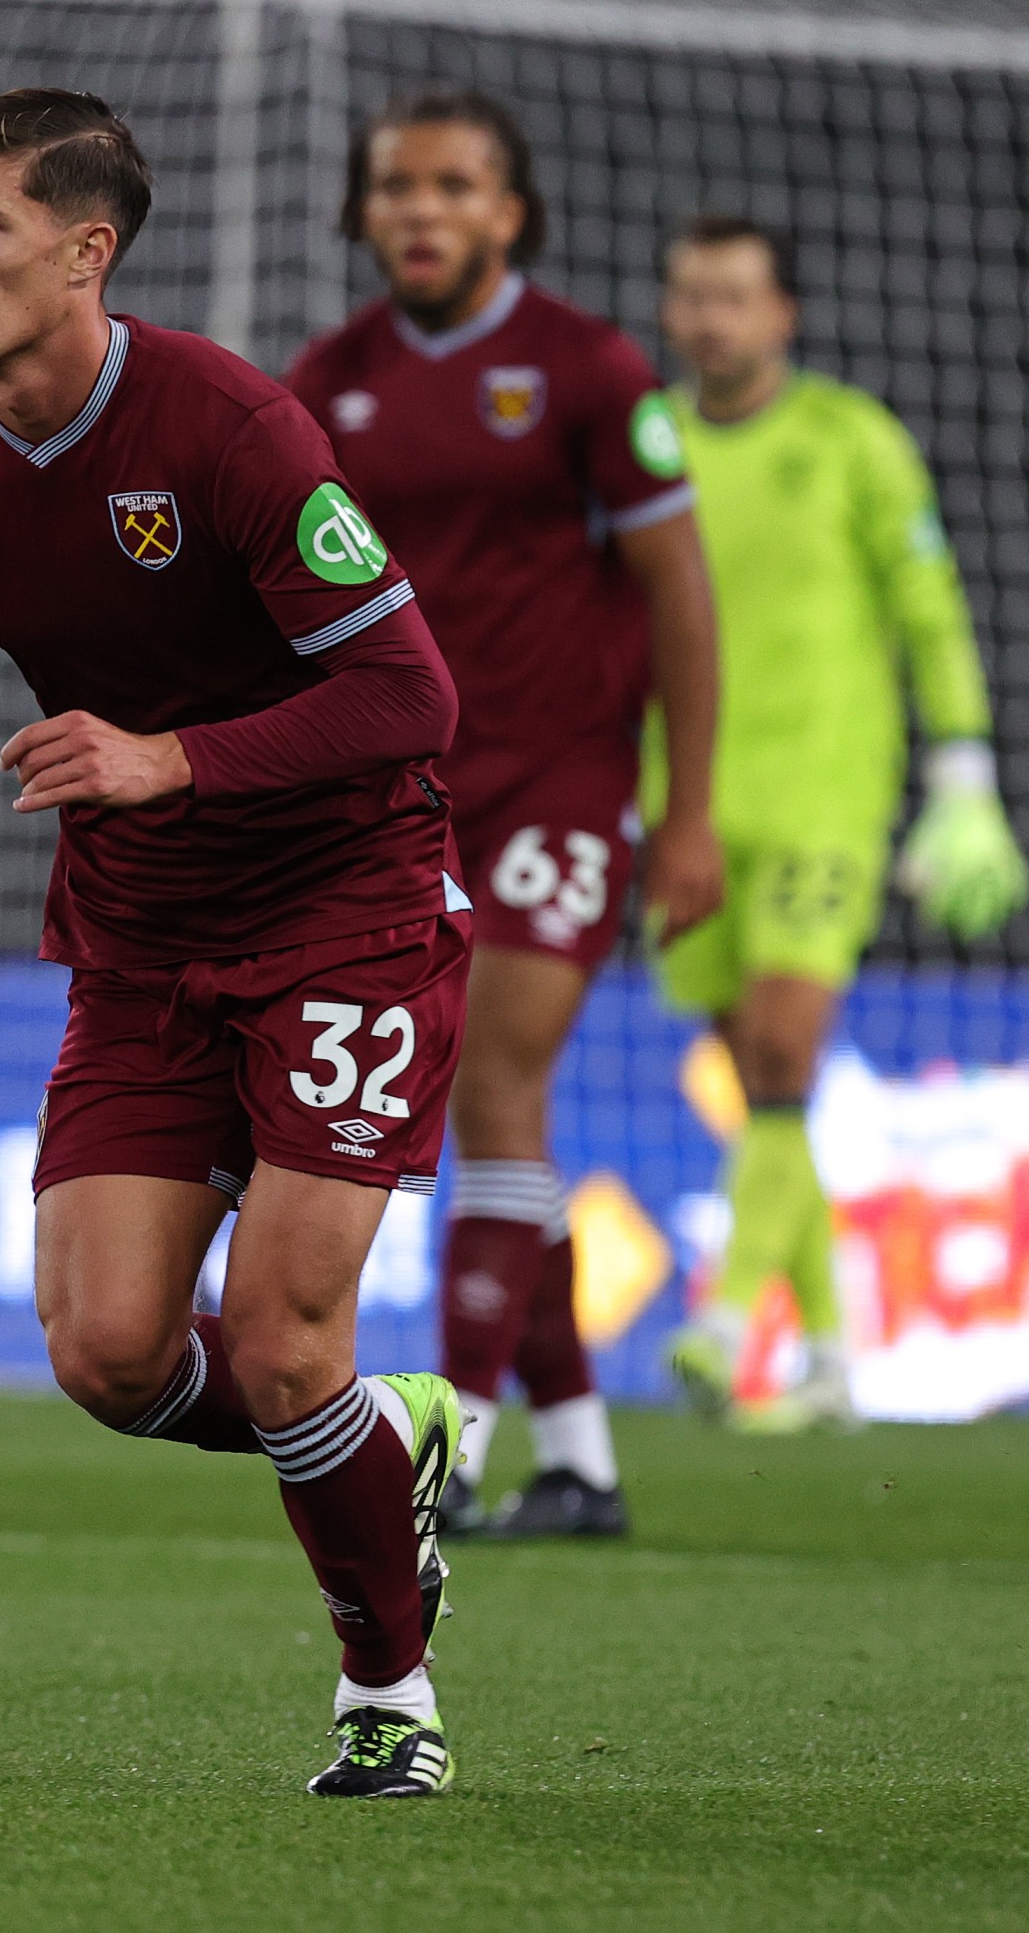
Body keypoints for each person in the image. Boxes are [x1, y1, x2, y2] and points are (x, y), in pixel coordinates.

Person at [0, 88, 474, 1798]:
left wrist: (170, 756)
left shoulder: (231, 431)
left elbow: (411, 696)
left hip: (344, 915)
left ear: (84, 250)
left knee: (277, 1334)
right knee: (108, 1353)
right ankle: (382, 1438)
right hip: (139, 935)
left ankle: (383, 1690)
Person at [286, 90, 724, 1538]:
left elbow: (678, 592)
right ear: (363, 214)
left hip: (560, 781)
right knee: (493, 1113)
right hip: (396, 797)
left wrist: (688, 814)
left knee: (490, 1092)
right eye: (395, 187)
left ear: (508, 212)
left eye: (454, 186)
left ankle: (453, 1447)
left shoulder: (585, 370)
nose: (421, 209)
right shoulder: (324, 382)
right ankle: (582, 1458)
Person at [653, 213, 1026, 1432]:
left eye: (734, 296)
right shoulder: (650, 445)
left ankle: (724, 1318)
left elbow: (929, 604)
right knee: (762, 1082)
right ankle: (825, 1356)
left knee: (780, 1053)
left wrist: (962, 770)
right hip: (687, 808)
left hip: (826, 798)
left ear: (782, 316)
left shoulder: (853, 441)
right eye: (691, 295)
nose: (710, 316)